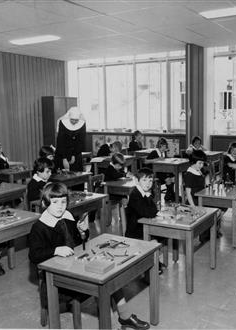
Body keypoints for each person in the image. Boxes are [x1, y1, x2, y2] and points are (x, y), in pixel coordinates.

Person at [28, 182, 150, 330]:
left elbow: (78, 243)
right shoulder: (39, 227)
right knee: (102, 282)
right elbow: (34, 255)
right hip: (55, 281)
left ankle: (125, 316)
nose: (60, 206)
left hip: (75, 266)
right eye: (55, 202)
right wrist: (55, 250)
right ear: (44, 203)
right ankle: (113, 322)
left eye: (63, 202)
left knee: (109, 274)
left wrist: (83, 232)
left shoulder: (67, 216)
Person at [125, 167, 158, 240]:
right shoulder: (135, 195)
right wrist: (153, 211)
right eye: (144, 180)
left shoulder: (145, 193)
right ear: (137, 181)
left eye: (150, 181)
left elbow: (154, 209)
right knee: (163, 234)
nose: (148, 183)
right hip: (136, 233)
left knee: (164, 234)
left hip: (144, 227)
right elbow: (148, 213)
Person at [55, 107, 86, 172]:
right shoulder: (62, 123)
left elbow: (81, 141)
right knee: (64, 174)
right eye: (72, 120)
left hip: (76, 153)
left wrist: (74, 155)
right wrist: (64, 158)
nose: (74, 122)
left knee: (77, 173)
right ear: (69, 117)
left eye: (76, 120)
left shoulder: (82, 123)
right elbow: (60, 142)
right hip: (62, 152)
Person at [146, 138, 175, 202]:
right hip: (155, 172)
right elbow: (145, 161)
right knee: (168, 179)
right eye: (164, 146)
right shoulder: (154, 152)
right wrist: (156, 159)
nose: (165, 148)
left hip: (162, 170)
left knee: (173, 177)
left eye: (165, 146)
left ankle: (169, 195)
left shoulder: (164, 153)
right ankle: (171, 195)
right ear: (160, 145)